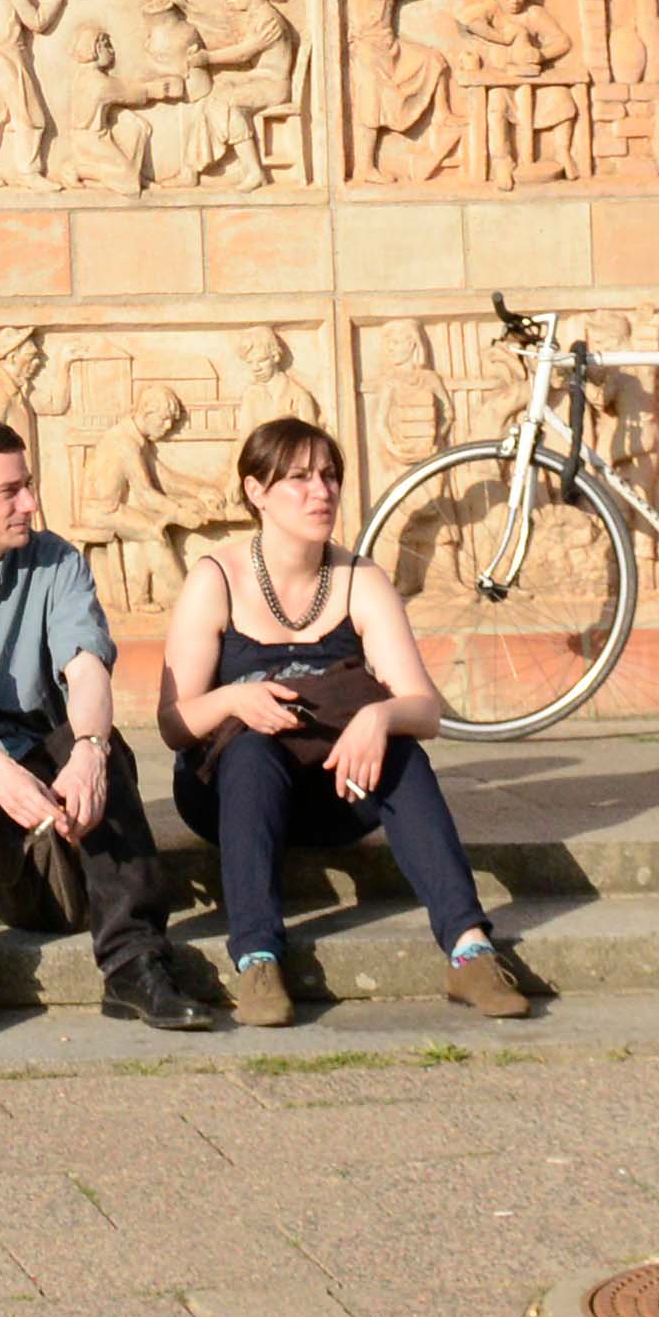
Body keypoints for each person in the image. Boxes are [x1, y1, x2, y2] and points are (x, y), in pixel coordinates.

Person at [157, 416, 541, 1024]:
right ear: (256, 492)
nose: (323, 492)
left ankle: (470, 950)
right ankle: (257, 958)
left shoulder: (361, 578)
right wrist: (234, 701)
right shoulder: (217, 578)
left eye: (330, 476)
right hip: (231, 795)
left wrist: (379, 717)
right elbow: (174, 725)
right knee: (252, 751)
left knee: (405, 753)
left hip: (336, 790)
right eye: (301, 479)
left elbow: (426, 710)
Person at [0, 410, 228, 1038]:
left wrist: (88, 750)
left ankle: (134, 963)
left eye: (27, 484)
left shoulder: (57, 562)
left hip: (36, 751)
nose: (30, 503)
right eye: (11, 490)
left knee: (102, 746)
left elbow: (86, 667)